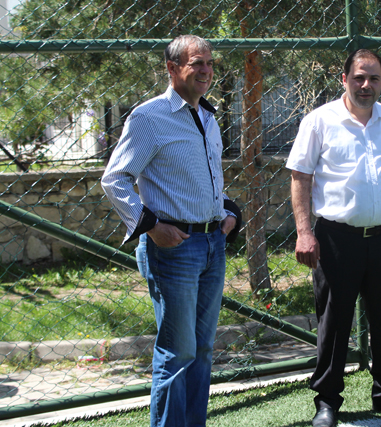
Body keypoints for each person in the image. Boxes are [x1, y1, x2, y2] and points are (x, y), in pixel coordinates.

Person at [102, 35, 242, 427]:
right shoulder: (149, 117)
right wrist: (150, 226)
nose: (206, 70)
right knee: (178, 353)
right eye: (197, 63)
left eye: (210, 63)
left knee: (203, 350)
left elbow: (203, 180)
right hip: (174, 248)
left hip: (213, 244)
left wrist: (229, 212)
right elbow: (114, 179)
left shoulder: (208, 116)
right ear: (172, 68)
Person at [287, 49, 381, 427]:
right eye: (359, 77)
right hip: (336, 240)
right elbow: (300, 175)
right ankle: (327, 402)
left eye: (374, 78)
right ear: (344, 79)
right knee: (334, 324)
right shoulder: (319, 121)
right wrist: (304, 232)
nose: (366, 85)